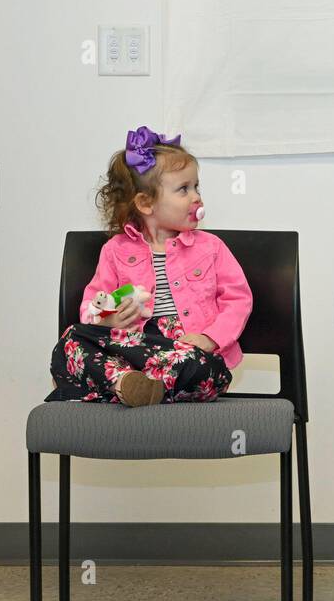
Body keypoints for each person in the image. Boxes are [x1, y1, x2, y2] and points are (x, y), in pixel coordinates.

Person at [46, 126, 252, 406]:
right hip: (135, 352)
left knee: (201, 368)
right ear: (145, 203)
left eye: (196, 186)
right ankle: (127, 384)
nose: (196, 197)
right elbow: (94, 304)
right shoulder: (115, 251)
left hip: (188, 353)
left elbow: (238, 300)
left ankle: (123, 388)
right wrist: (107, 320)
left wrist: (209, 338)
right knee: (71, 340)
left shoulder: (210, 247)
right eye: (183, 189)